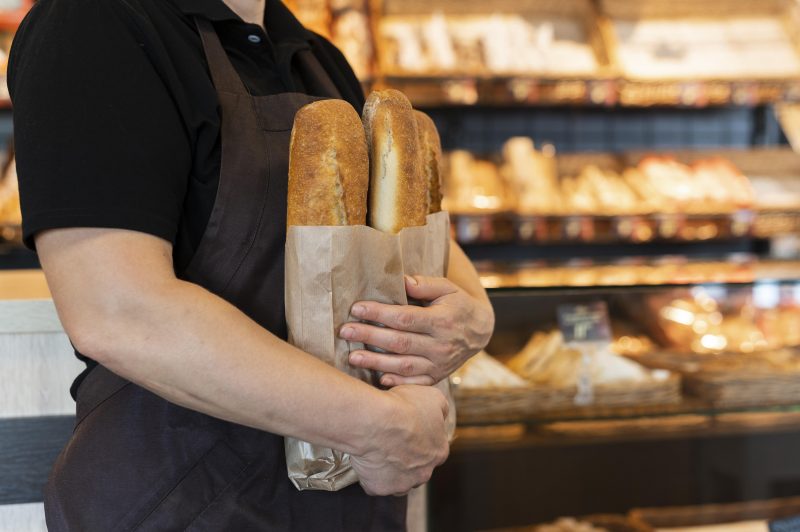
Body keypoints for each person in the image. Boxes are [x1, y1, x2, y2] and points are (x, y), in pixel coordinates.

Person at [9, 0, 495, 530]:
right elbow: (120, 311)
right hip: (181, 501)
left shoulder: (315, 58)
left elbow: (413, 238)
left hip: (345, 493)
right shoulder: (93, 25)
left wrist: (474, 318)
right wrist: (376, 427)